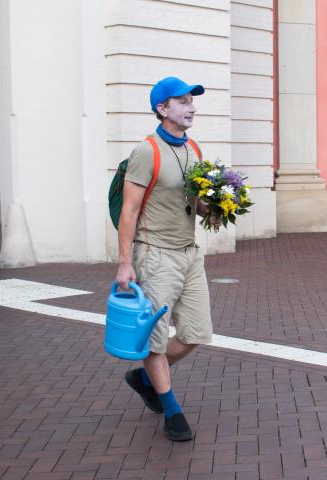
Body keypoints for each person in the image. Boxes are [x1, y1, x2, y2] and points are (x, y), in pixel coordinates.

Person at [116, 76, 220, 441]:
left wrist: (217, 207)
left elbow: (195, 201)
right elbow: (129, 211)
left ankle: (144, 379)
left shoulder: (193, 148)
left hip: (190, 255)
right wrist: (125, 263)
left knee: (195, 332)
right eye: (183, 102)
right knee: (155, 340)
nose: (192, 107)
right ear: (162, 109)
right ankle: (171, 410)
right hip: (155, 255)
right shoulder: (146, 151)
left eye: (192, 101)